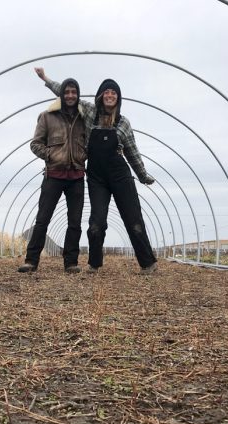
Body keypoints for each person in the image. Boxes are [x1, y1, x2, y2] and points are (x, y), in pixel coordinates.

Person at [35, 68, 158, 274]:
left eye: (114, 93)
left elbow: (133, 153)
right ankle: (94, 263)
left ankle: (148, 263)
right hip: (97, 177)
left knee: (133, 220)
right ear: (101, 96)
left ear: (118, 99)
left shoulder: (124, 123)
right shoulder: (90, 113)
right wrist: (46, 79)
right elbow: (65, 93)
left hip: (120, 176)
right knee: (96, 223)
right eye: (106, 92)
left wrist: (143, 175)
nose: (110, 96)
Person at [18, 78, 87, 273]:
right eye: (67, 92)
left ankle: (71, 262)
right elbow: (35, 144)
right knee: (43, 219)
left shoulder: (84, 119)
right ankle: (31, 261)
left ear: (78, 95)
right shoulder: (47, 117)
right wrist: (50, 154)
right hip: (53, 175)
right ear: (61, 95)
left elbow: (90, 143)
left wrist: (83, 155)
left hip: (76, 176)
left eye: (74, 92)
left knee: (75, 221)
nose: (70, 96)